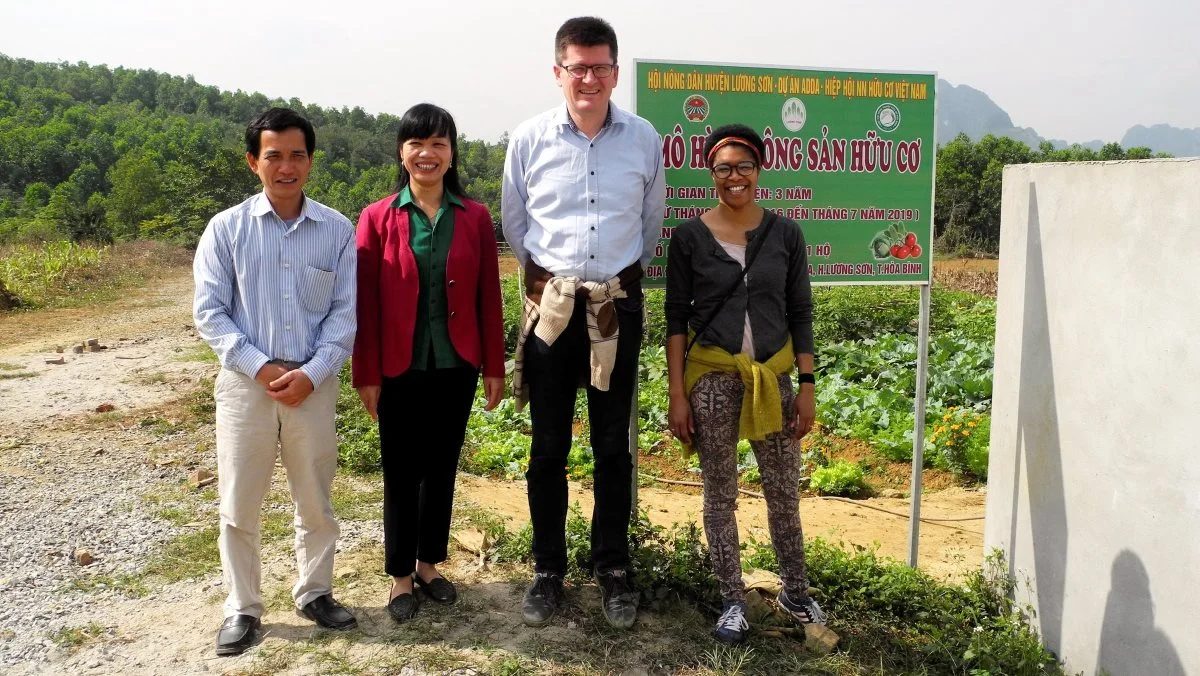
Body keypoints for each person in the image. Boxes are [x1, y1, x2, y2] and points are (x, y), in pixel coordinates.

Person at [501, 16, 665, 629]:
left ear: (616, 73)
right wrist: (554, 285)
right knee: (548, 445)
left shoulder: (644, 138)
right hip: (552, 309)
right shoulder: (530, 138)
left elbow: (650, 223)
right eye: (578, 67)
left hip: (616, 309)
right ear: (558, 72)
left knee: (612, 445)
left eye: (600, 67)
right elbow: (516, 225)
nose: (589, 78)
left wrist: (609, 286)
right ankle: (547, 570)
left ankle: (613, 568)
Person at [193, 107, 358, 657]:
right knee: (240, 500)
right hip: (246, 386)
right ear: (253, 162)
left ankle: (315, 592)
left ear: (310, 160)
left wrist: (310, 374)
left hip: (312, 384)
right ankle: (242, 607)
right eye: (274, 156)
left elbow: (344, 315)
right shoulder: (227, 229)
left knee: (315, 497)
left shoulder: (336, 230)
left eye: (296, 155)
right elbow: (211, 312)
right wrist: (262, 368)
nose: (286, 167)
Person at [663, 124, 825, 645]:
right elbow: (675, 321)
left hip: (774, 380)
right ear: (711, 176)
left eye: (743, 167)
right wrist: (677, 395)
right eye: (723, 169)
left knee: (783, 493)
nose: (734, 177)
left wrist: (806, 385)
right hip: (712, 379)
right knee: (719, 494)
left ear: (759, 171)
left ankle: (795, 591)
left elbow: (801, 311)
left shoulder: (786, 234)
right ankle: (732, 599)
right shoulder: (688, 238)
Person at [353, 103, 506, 623]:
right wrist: (366, 373)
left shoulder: (476, 217)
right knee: (401, 470)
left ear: (451, 153)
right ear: (402, 152)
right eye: (417, 144)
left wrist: (493, 366)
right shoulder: (377, 218)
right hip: (398, 365)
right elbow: (366, 304)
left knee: (441, 466)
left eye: (438, 143)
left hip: (457, 362)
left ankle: (428, 564)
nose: (427, 153)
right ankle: (399, 575)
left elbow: (489, 295)